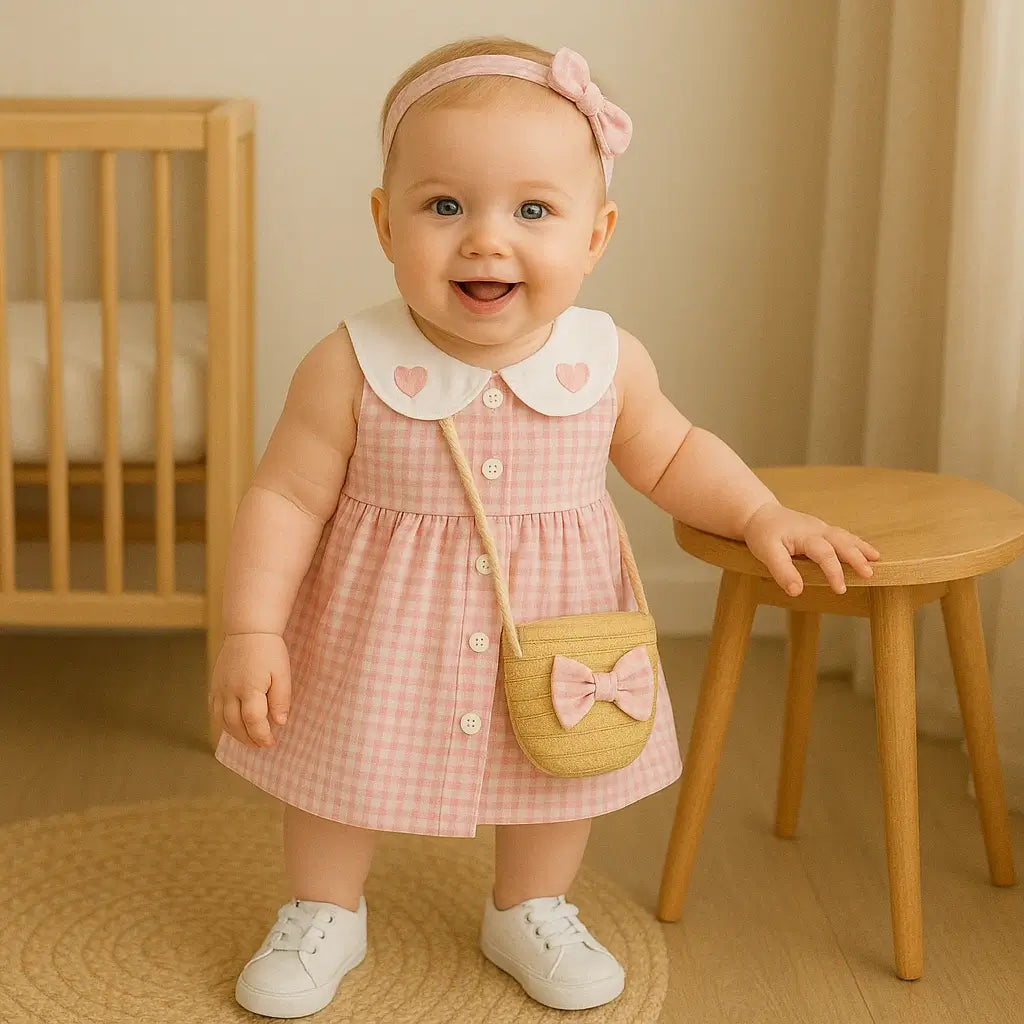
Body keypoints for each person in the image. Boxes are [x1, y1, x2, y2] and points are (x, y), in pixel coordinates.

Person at [210, 35, 879, 1019]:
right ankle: (322, 908)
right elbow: (285, 498)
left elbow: (672, 452)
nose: (486, 239)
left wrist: (757, 509)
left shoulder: (605, 359)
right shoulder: (349, 362)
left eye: (533, 210)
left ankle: (529, 905)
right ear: (383, 223)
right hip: (376, 631)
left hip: (557, 627)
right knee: (335, 769)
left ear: (596, 233)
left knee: (556, 770)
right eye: (444, 206)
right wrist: (252, 628)